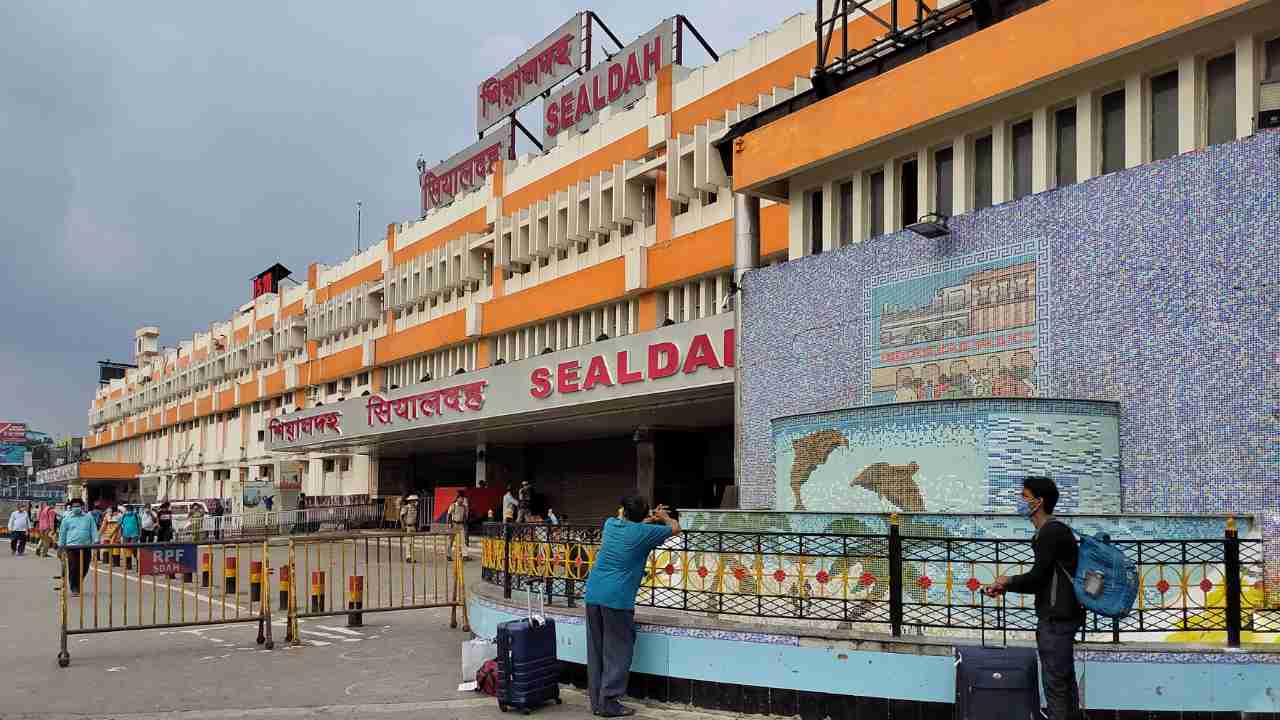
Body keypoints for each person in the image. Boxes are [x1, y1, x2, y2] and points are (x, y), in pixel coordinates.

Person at [984, 476, 1083, 720]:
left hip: (1056, 618)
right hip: (1062, 615)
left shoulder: (1050, 532)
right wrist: (1007, 586)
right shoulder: (1051, 531)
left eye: (1025, 496)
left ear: (1038, 502)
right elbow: (1044, 579)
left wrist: (1007, 581)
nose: (1020, 501)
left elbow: (1038, 578)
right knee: (1064, 682)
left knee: (1056, 686)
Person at [583, 497, 681, 717]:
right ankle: (609, 702)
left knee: (596, 649)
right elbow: (675, 529)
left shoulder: (610, 524)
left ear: (624, 512)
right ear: (641, 516)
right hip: (617, 599)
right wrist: (664, 517)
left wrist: (648, 517)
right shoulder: (643, 534)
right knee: (618, 650)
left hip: (593, 593)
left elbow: (631, 524)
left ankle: (597, 702)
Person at [58, 498, 99, 596]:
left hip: (86, 546)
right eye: (74, 506)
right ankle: (74, 587)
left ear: (82, 507)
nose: (76, 508)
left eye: (78, 506)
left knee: (84, 567)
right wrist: (60, 547)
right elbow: (62, 533)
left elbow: (93, 530)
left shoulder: (88, 517)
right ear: (71, 507)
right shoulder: (67, 519)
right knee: (73, 567)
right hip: (72, 547)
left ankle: (78, 582)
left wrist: (96, 541)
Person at [447, 492, 470, 558]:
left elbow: (465, 516)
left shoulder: (464, 507)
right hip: (453, 524)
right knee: (450, 540)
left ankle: (465, 555)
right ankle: (448, 555)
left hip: (461, 525)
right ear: (457, 499)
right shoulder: (453, 505)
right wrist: (449, 524)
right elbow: (448, 515)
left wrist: (465, 524)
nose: (462, 500)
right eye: (461, 498)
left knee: (463, 540)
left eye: (463, 499)